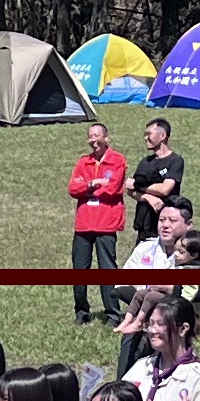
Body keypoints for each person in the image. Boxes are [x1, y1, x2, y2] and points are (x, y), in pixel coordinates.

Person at [64, 125, 127, 316]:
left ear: (106, 138)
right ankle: (81, 311)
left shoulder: (118, 160)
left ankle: (112, 313)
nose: (94, 140)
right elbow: (73, 189)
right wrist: (93, 184)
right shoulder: (83, 162)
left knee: (107, 269)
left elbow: (113, 188)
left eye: (97, 136)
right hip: (84, 224)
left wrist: (87, 186)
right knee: (80, 270)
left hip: (106, 223)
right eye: (90, 137)